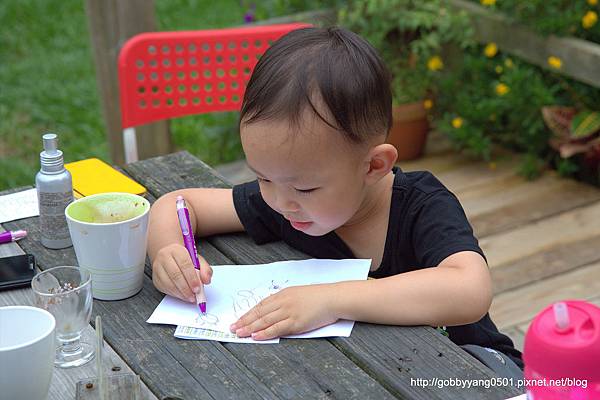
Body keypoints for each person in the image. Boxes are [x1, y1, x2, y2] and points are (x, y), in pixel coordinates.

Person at [147, 26, 523, 369]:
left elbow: (469, 291)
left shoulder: (421, 205)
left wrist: (330, 299)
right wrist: (168, 252)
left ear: (374, 165)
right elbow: (179, 204)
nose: (279, 201)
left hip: (476, 367)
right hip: (373, 370)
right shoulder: (289, 197)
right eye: (261, 177)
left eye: (305, 188)